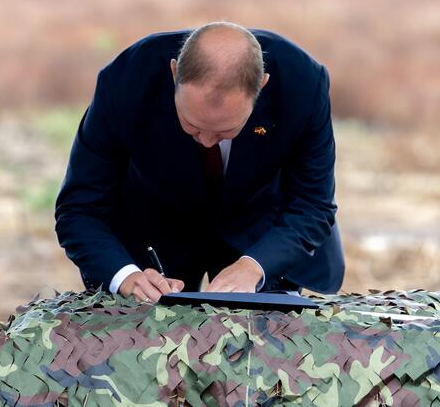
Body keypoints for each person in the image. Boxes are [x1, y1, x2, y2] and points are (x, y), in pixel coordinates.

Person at [55, 21, 344, 302]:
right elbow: (79, 207)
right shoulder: (125, 81)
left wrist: (255, 266)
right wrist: (126, 275)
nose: (206, 141)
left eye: (225, 131)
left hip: (263, 230)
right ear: (173, 73)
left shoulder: (302, 82)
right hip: (154, 231)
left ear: (262, 87)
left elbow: (313, 204)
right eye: (192, 125)